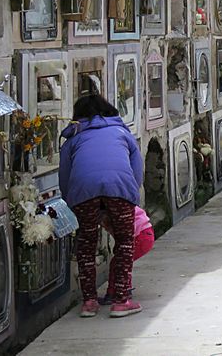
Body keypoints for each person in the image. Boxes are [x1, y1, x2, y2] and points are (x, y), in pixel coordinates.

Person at [59, 94, 144, 319]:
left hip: (83, 191)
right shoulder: (123, 133)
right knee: (125, 241)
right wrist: (129, 197)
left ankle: (89, 302)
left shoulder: (73, 139)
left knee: (86, 244)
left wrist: (73, 202)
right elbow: (136, 170)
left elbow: (65, 176)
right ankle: (121, 301)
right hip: (120, 187)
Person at [98, 206, 155, 306]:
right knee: (123, 263)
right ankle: (125, 289)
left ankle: (112, 294)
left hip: (140, 237)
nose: (103, 227)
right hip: (145, 235)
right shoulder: (122, 206)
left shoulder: (115, 214)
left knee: (118, 263)